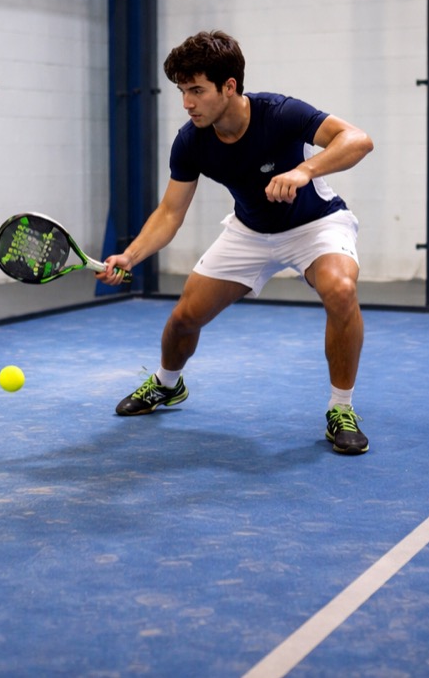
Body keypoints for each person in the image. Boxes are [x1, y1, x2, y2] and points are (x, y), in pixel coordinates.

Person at [96, 30, 374, 455]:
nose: (187, 102)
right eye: (182, 91)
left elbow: (357, 139)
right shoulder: (191, 140)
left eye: (196, 90)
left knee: (340, 289)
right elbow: (171, 212)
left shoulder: (279, 113)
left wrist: (304, 171)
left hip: (315, 225)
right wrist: (130, 256)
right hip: (249, 232)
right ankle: (169, 385)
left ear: (229, 87)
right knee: (185, 318)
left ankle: (341, 408)